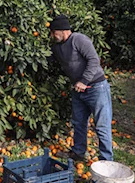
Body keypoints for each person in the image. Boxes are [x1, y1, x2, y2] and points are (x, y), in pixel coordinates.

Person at [48, 14, 114, 162]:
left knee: (101, 126)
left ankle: (106, 161)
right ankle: (78, 153)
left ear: (63, 30)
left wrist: (84, 81)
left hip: (96, 87)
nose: (52, 35)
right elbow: (47, 59)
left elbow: (94, 60)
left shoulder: (79, 39)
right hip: (78, 90)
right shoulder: (57, 47)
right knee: (78, 123)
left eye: (54, 32)